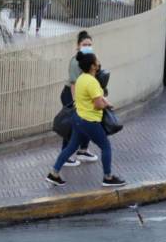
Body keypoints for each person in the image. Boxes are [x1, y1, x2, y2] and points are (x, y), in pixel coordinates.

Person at [46, 54, 126, 188]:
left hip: (78, 119)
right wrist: (106, 104)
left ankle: (54, 173)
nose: (99, 63)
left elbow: (90, 98)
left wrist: (102, 100)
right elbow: (97, 104)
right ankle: (108, 177)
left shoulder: (81, 79)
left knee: (71, 147)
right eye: (97, 62)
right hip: (90, 121)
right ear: (92, 66)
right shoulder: (92, 82)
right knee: (105, 146)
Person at [58, 31, 98, 167]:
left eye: (89, 44)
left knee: (88, 121)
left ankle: (83, 150)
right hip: (71, 95)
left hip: (83, 96)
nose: (87, 46)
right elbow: (74, 84)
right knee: (72, 125)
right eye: (84, 44)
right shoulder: (75, 62)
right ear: (78, 46)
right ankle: (65, 155)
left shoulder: (91, 58)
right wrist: (76, 102)